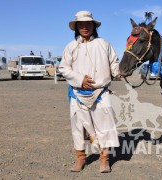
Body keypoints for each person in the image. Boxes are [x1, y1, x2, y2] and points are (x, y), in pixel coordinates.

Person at [59, 10, 120, 173]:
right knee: (79, 128)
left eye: (88, 23)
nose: (84, 27)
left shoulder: (104, 44)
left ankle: (104, 159)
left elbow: (114, 62)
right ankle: (80, 158)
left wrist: (118, 72)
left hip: (101, 93)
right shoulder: (71, 47)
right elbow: (63, 68)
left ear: (93, 25)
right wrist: (80, 79)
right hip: (78, 94)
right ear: (76, 27)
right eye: (81, 24)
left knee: (104, 126)